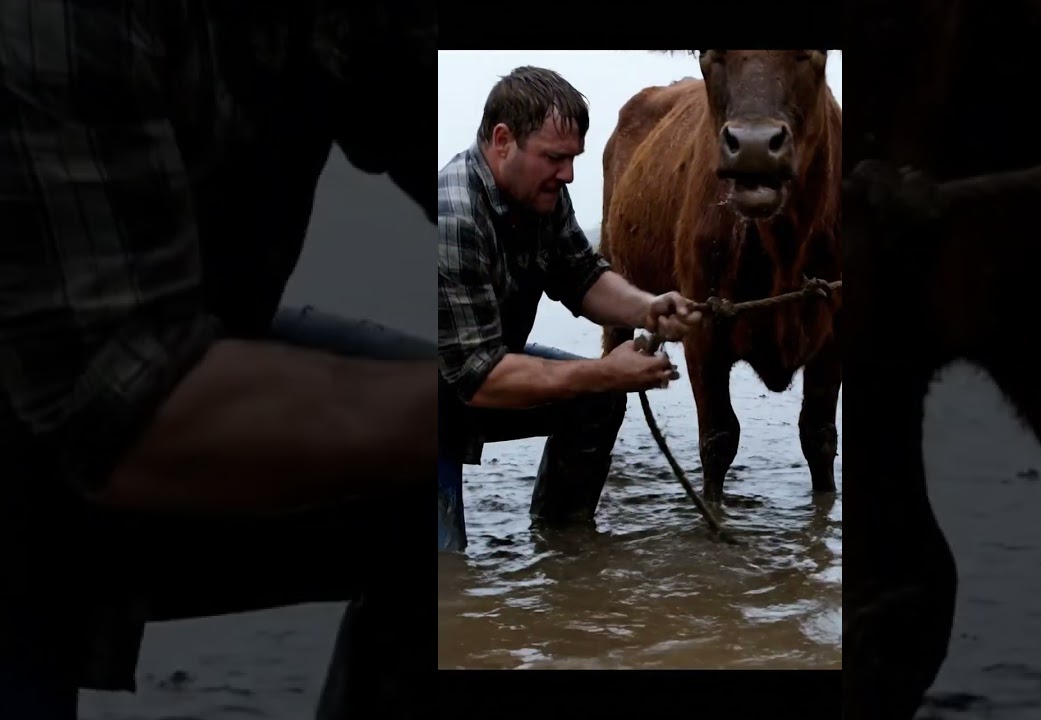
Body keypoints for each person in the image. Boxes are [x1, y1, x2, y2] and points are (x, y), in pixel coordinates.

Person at [1, 1, 437, 718]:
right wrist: (477, 392)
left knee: (441, 498)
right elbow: (123, 416)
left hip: (158, 368)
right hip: (81, 421)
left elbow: (427, 116)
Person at [437, 66, 702, 552]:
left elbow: (582, 276)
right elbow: (478, 378)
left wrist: (649, 308)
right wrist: (606, 372)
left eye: (574, 159)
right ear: (502, 140)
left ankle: (563, 552)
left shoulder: (543, 197)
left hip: (481, 369)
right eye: (555, 159)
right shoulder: (452, 215)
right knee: (447, 578)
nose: (570, 175)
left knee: (597, 399)